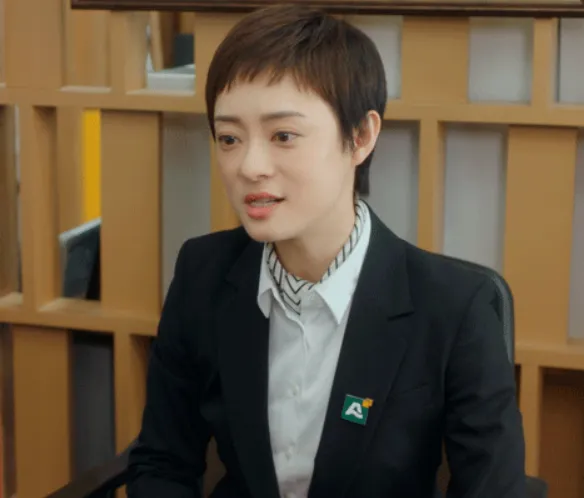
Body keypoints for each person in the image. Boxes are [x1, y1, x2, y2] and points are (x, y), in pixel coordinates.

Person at [126, 5, 526, 498]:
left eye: (283, 136)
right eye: (229, 138)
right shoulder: (202, 273)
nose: (249, 166)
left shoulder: (454, 307)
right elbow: (162, 461)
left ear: (361, 136)